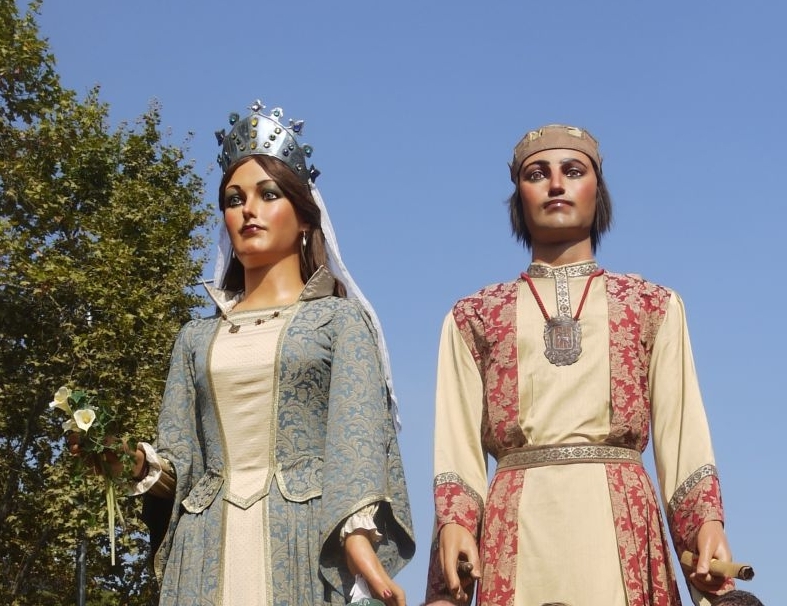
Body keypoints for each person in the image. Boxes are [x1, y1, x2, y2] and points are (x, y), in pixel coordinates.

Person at [106, 101, 414, 604]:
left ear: (305, 218)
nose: (247, 209)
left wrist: (360, 545)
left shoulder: (338, 321)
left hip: (302, 539)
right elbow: (181, 462)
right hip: (204, 547)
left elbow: (355, 442)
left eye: (268, 194)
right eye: (234, 199)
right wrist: (132, 461)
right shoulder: (195, 338)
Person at [424, 124, 734, 606]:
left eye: (572, 171)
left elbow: (682, 435)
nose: (555, 184)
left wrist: (706, 523)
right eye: (536, 174)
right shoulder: (473, 316)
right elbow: (457, 448)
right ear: (519, 196)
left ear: (598, 189)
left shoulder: (652, 305)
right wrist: (456, 525)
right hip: (516, 533)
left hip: (622, 527)